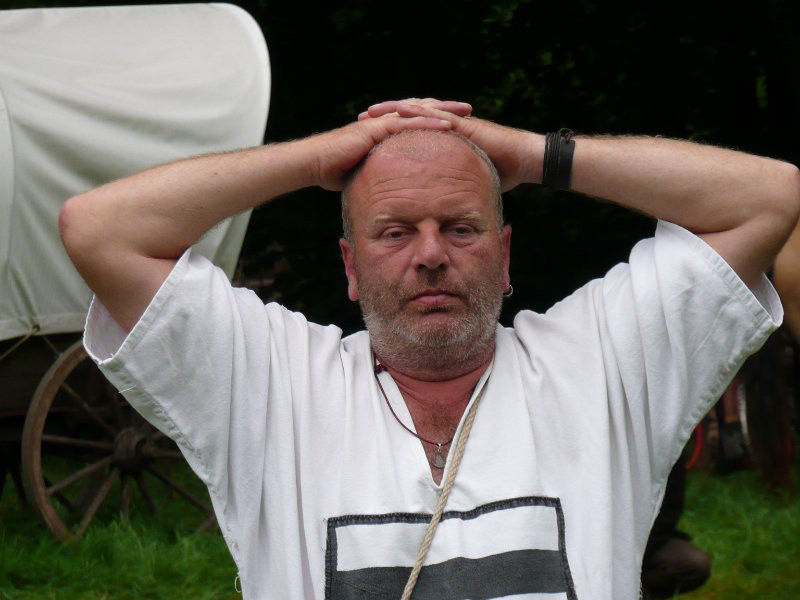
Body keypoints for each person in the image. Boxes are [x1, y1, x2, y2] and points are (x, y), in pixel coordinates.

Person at [59, 98, 798, 599]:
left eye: (461, 227)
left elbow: (770, 196)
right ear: (350, 266)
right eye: (394, 232)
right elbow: (99, 229)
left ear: (504, 256)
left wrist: (533, 154)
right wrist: (315, 160)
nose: (431, 254)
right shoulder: (271, 384)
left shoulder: (600, 361)